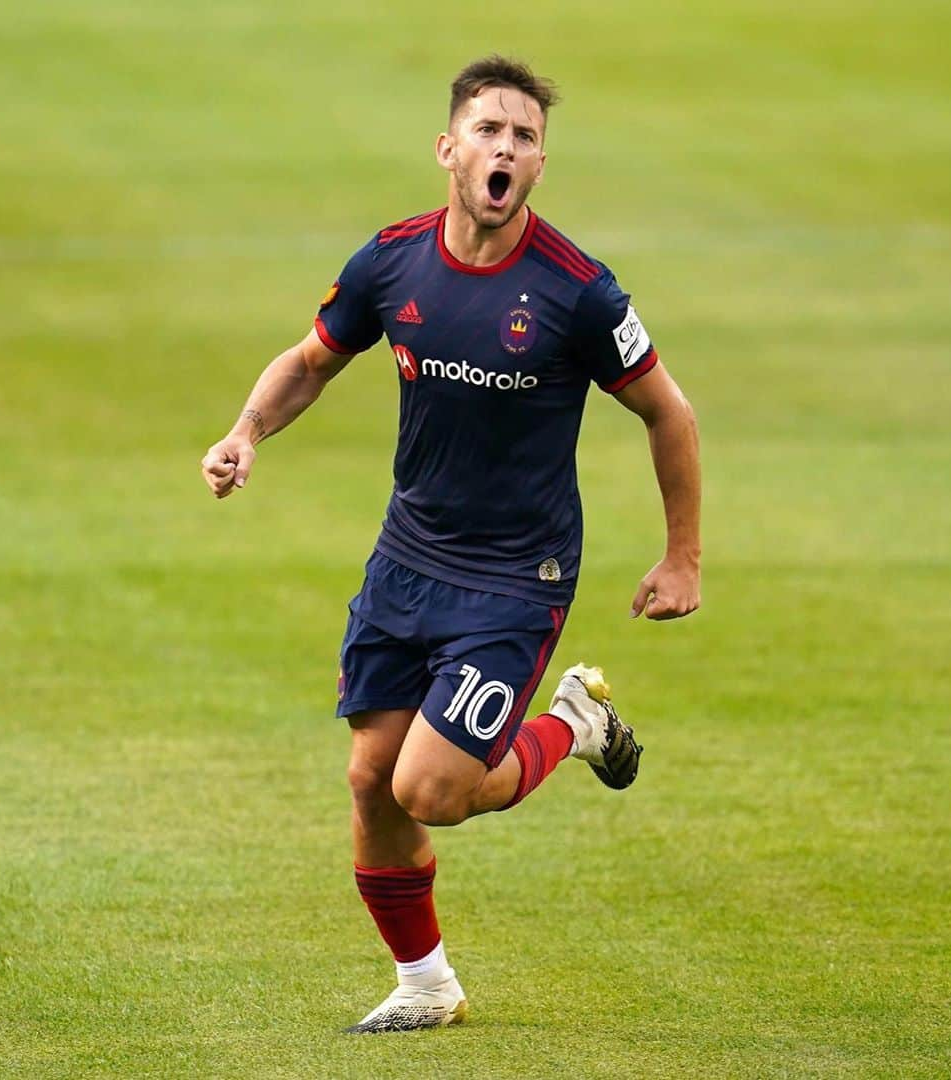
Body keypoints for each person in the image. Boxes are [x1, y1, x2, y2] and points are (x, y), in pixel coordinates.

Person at [201, 55, 701, 1034]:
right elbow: (310, 362)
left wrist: (682, 557)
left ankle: (574, 726)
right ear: (449, 148)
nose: (504, 147)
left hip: (518, 578)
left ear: (540, 164)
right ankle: (426, 987)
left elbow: (669, 413)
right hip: (407, 560)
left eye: (523, 136)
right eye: (488, 130)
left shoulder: (579, 293)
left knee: (430, 787)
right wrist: (244, 433)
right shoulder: (392, 263)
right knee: (368, 780)